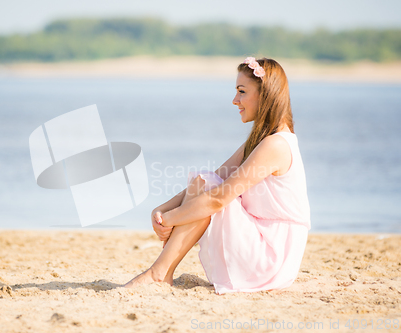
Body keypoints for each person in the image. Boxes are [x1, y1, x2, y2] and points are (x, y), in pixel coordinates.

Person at [124, 57, 311, 295]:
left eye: (242, 92)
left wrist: (171, 220)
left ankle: (159, 273)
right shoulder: (261, 142)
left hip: (270, 258)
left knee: (210, 189)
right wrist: (161, 210)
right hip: (257, 245)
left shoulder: (276, 145)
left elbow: (218, 198)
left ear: (266, 95)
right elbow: (213, 178)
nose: (235, 101)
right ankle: (161, 273)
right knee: (204, 180)